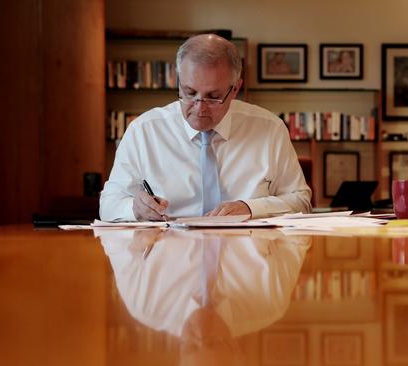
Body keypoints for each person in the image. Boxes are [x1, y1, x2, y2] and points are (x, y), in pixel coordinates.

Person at [100, 34, 311, 221]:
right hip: (170, 257)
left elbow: (301, 201)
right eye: (189, 93)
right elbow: (108, 205)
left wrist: (250, 208)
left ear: (235, 88)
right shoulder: (144, 131)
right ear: (178, 80)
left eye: (214, 97)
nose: (199, 108)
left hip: (247, 255)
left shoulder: (269, 129)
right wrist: (134, 208)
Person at [98, 228, 310, 365]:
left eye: (190, 346)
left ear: (180, 354)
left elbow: (111, 240)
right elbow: (299, 239)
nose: (199, 332)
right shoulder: (270, 304)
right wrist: (258, 227)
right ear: (234, 347)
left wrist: (135, 240)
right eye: (212, 342)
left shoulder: (143, 305)